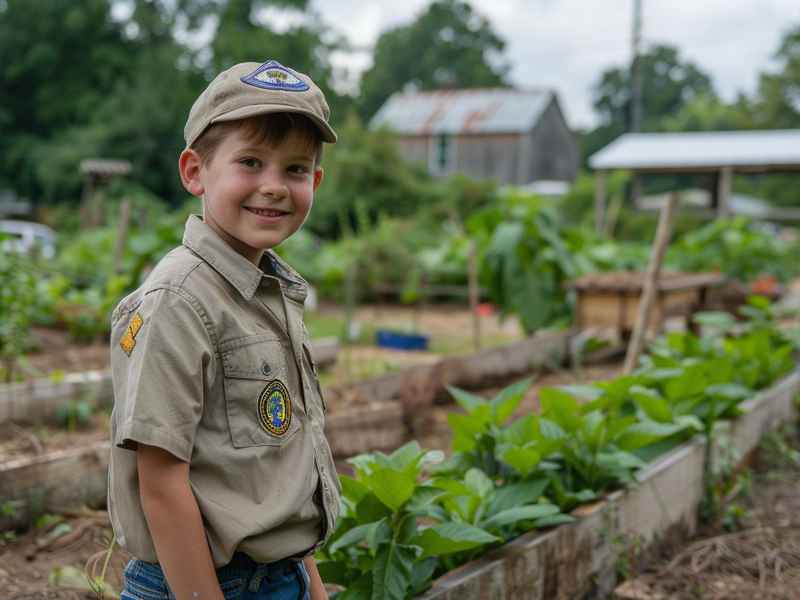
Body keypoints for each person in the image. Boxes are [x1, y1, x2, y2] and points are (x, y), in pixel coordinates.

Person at [108, 59, 341, 600]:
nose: (274, 187)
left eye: (295, 169)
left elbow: (272, 476)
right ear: (195, 172)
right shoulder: (177, 301)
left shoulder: (271, 293)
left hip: (278, 577)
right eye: (251, 162)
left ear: (315, 182)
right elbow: (161, 485)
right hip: (205, 584)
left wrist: (312, 586)